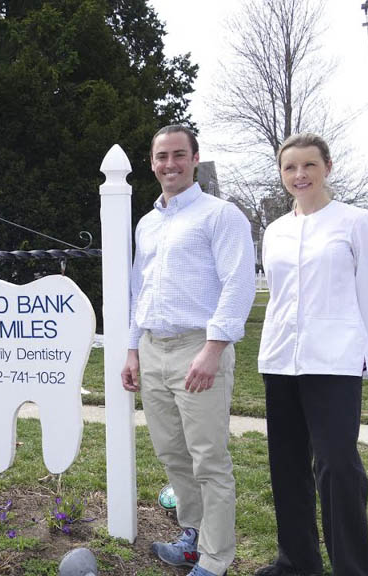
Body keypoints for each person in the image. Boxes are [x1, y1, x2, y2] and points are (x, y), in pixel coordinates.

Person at [121, 125, 256, 576]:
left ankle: (216, 560)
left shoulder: (220, 215)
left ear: (195, 158)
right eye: (162, 156)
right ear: (152, 162)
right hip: (154, 349)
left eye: (179, 155)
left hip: (200, 348)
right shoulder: (147, 222)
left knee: (209, 459)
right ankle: (193, 537)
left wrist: (214, 348)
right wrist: (132, 349)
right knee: (172, 454)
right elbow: (139, 289)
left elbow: (239, 284)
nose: (170, 164)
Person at [255, 133, 368, 576]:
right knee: (287, 466)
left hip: (334, 362)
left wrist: (358, 350)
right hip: (281, 361)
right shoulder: (274, 230)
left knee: (337, 467)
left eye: (309, 165)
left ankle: (352, 568)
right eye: (290, 167)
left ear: (327, 166)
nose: (300, 175)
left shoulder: (354, 221)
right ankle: (297, 563)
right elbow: (278, 294)